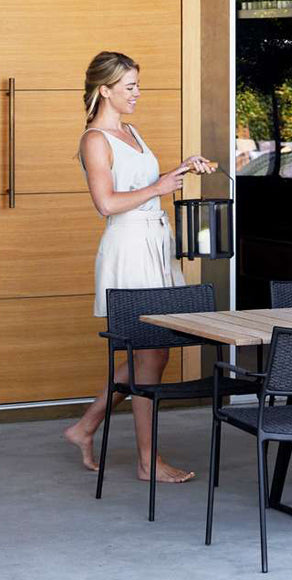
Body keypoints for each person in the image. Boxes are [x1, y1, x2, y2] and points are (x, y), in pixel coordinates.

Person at [64, 51, 214, 483]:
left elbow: (144, 187)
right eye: (129, 87)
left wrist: (180, 170)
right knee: (150, 353)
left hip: (155, 244)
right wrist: (159, 186)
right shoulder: (95, 140)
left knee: (153, 352)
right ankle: (148, 462)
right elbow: (106, 203)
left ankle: (85, 426)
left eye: (137, 85)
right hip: (129, 248)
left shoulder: (130, 131)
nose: (137, 94)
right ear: (104, 90)